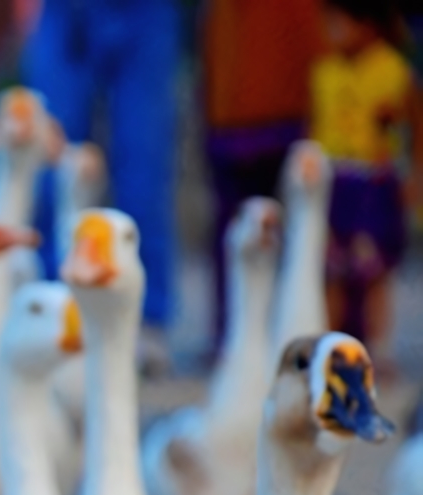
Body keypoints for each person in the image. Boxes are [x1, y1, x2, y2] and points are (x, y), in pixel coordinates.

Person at [23, 0, 179, 340]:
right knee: (50, 159)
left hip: (145, 12)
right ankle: (52, 310)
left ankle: (146, 317)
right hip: (64, 11)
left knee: (142, 165)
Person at [199, 0, 323, 353]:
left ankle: (298, 336)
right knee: (237, 231)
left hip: (290, 105)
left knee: (302, 235)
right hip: (231, 110)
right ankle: (235, 337)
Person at [310, 0, 421, 360]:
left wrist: (414, 175)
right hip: (335, 179)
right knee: (333, 268)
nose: (333, 32)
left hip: (373, 184)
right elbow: (313, 129)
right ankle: (330, 346)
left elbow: (414, 130)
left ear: (368, 23)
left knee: (371, 269)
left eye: (340, 23)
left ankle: (378, 347)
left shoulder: (393, 72)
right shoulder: (324, 72)